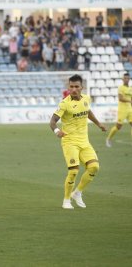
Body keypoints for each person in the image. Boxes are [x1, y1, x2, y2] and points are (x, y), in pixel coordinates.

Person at [49, 74, 106, 210]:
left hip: (84, 142)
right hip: (69, 142)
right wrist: (57, 132)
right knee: (74, 171)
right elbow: (52, 121)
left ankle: (78, 192)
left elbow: (88, 112)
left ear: (82, 87)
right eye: (71, 86)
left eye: (76, 87)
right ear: (68, 87)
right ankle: (66, 200)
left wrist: (99, 124)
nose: (73, 89)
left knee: (94, 167)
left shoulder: (86, 98)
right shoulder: (65, 104)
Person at [106, 73, 132, 147]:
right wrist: (129, 101)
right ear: (123, 79)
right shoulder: (121, 88)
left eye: (128, 78)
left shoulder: (130, 88)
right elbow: (120, 98)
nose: (126, 79)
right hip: (122, 109)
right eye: (125, 78)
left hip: (130, 109)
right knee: (118, 126)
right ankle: (108, 139)